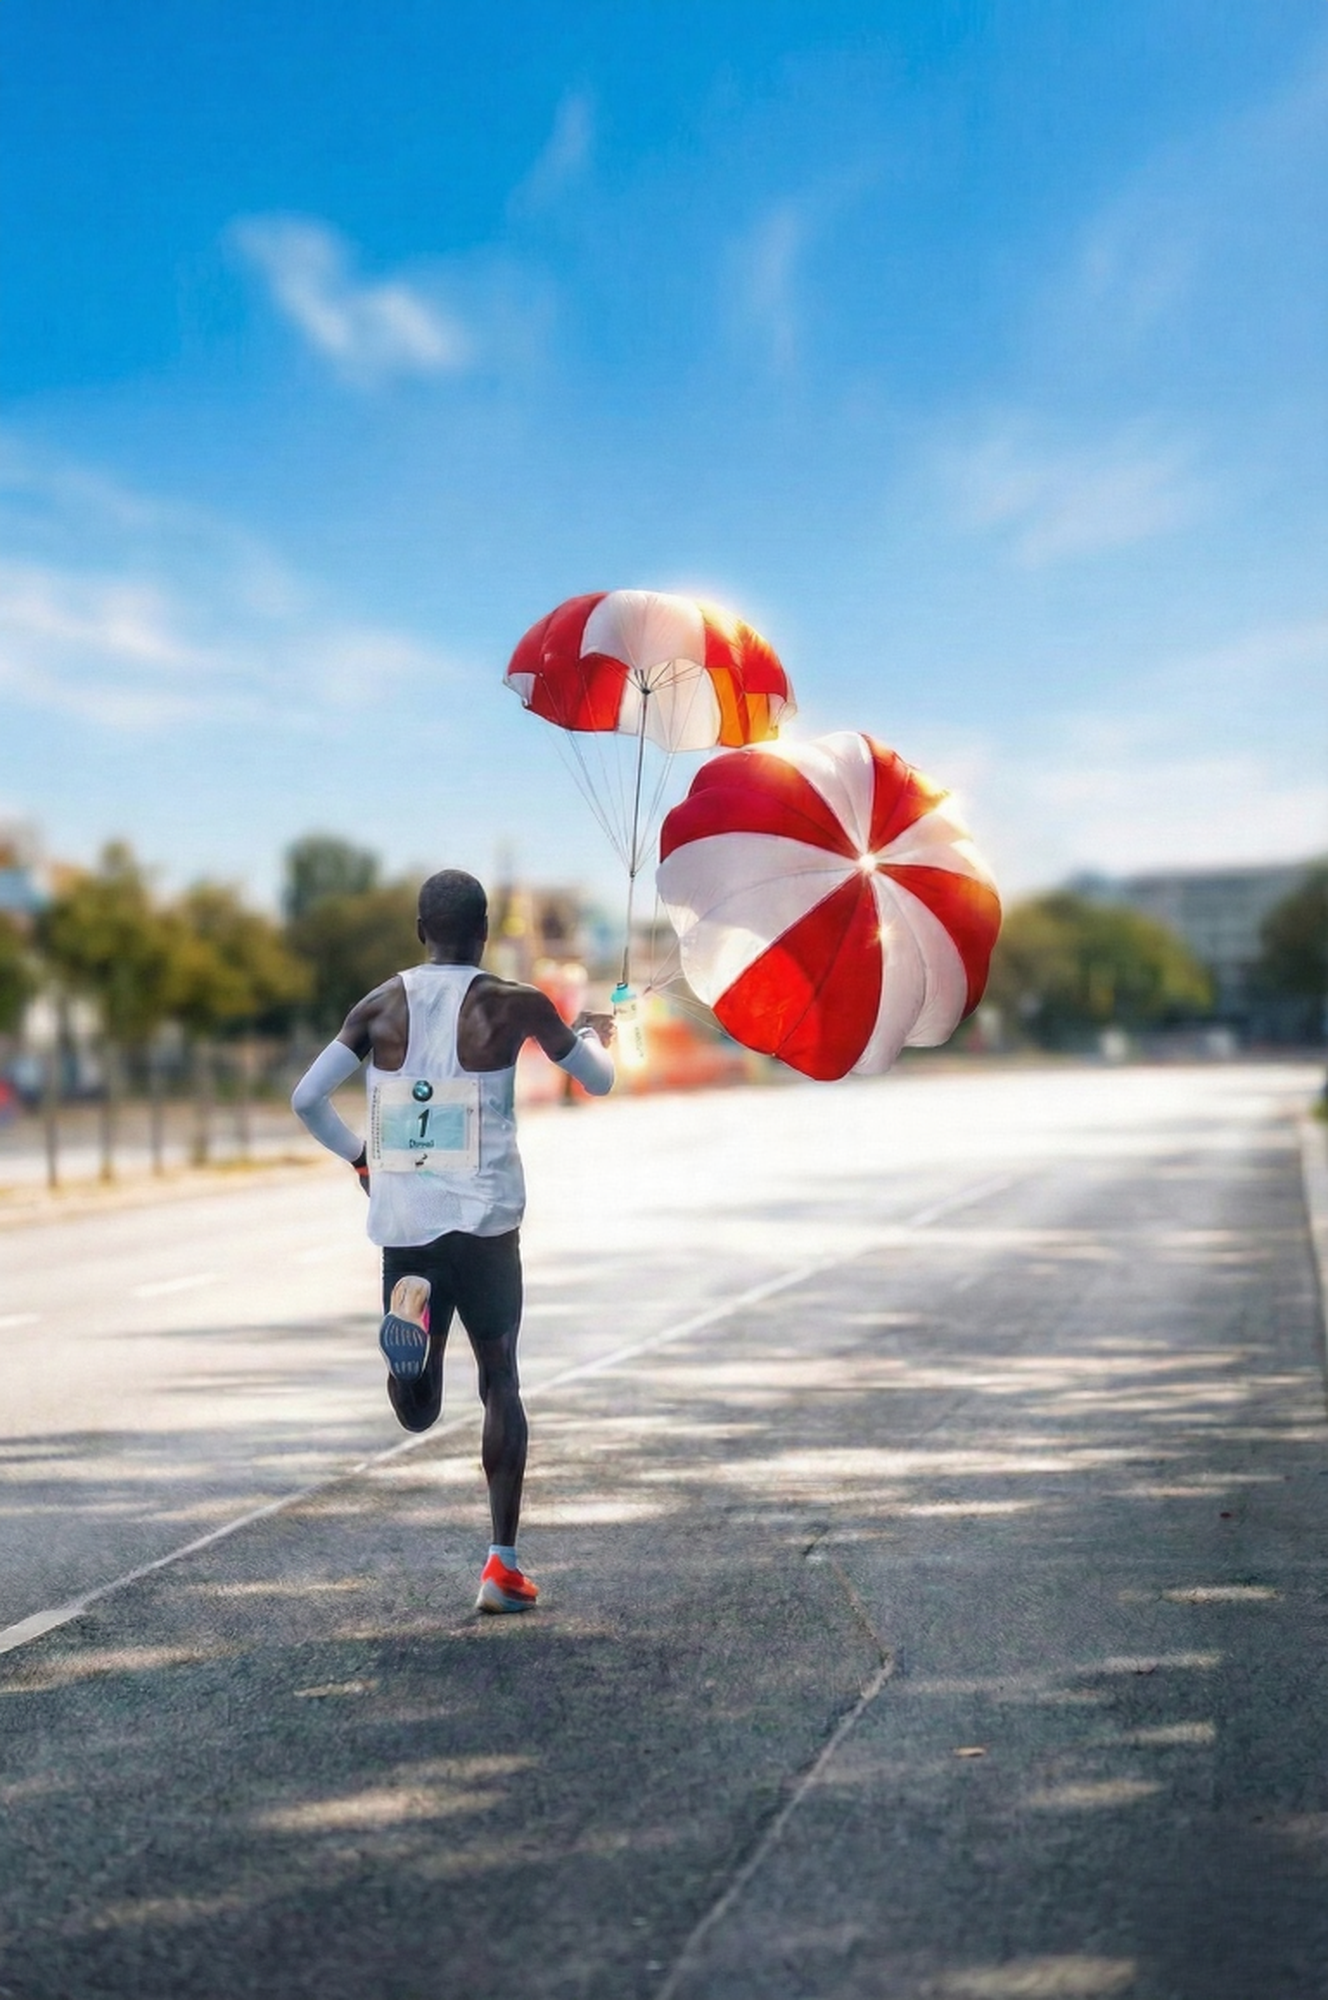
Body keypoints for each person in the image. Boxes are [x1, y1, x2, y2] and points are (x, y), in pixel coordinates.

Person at [291, 869, 614, 1613]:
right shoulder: (516, 1004)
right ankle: (501, 1567)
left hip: (407, 1224)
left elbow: (306, 1098)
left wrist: (360, 1157)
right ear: (488, 931)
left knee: (418, 1412)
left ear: (419, 930)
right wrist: (595, 1037)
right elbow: (595, 1081)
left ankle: (408, 1367)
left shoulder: (377, 1005)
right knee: (500, 1378)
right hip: (488, 1222)